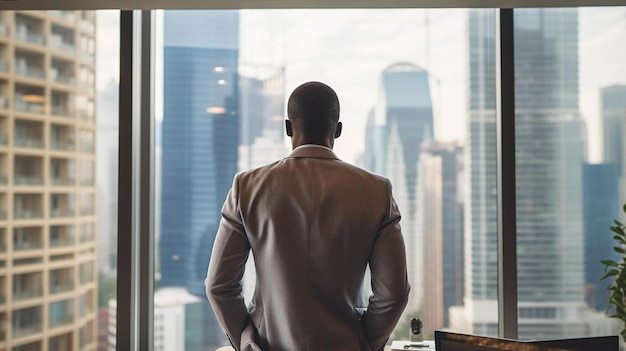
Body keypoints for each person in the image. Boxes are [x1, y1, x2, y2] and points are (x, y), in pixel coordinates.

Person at [205, 81, 410, 351]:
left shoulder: (248, 187)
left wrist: (247, 341)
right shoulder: (376, 191)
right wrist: (363, 342)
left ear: (288, 127)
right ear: (337, 130)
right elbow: (393, 294)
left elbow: (219, 286)